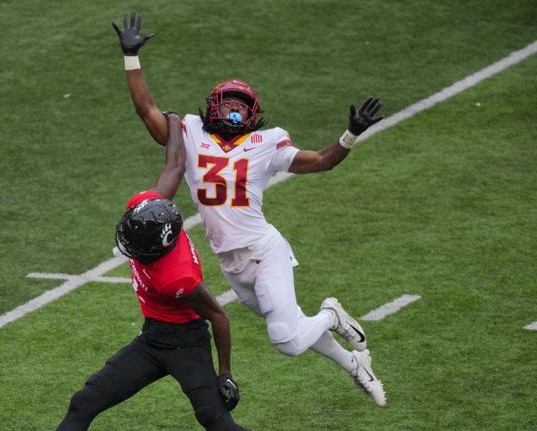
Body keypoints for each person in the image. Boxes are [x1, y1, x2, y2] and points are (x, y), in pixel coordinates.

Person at [0, 114, 342, 431]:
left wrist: (225, 373)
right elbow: (174, 163)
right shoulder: (153, 210)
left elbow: (219, 318)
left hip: (186, 344)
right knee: (86, 401)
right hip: (153, 340)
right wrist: (176, 122)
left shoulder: (174, 276)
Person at [112, 12, 386, 406]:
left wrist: (351, 134)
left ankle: (331, 313)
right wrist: (131, 58)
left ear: (253, 114)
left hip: (262, 249)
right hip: (230, 260)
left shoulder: (267, 143)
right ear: (213, 107)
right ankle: (355, 363)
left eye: (241, 108)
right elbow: (147, 110)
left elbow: (322, 160)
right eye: (228, 106)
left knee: (287, 340)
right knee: (292, 326)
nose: (234, 113)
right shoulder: (189, 132)